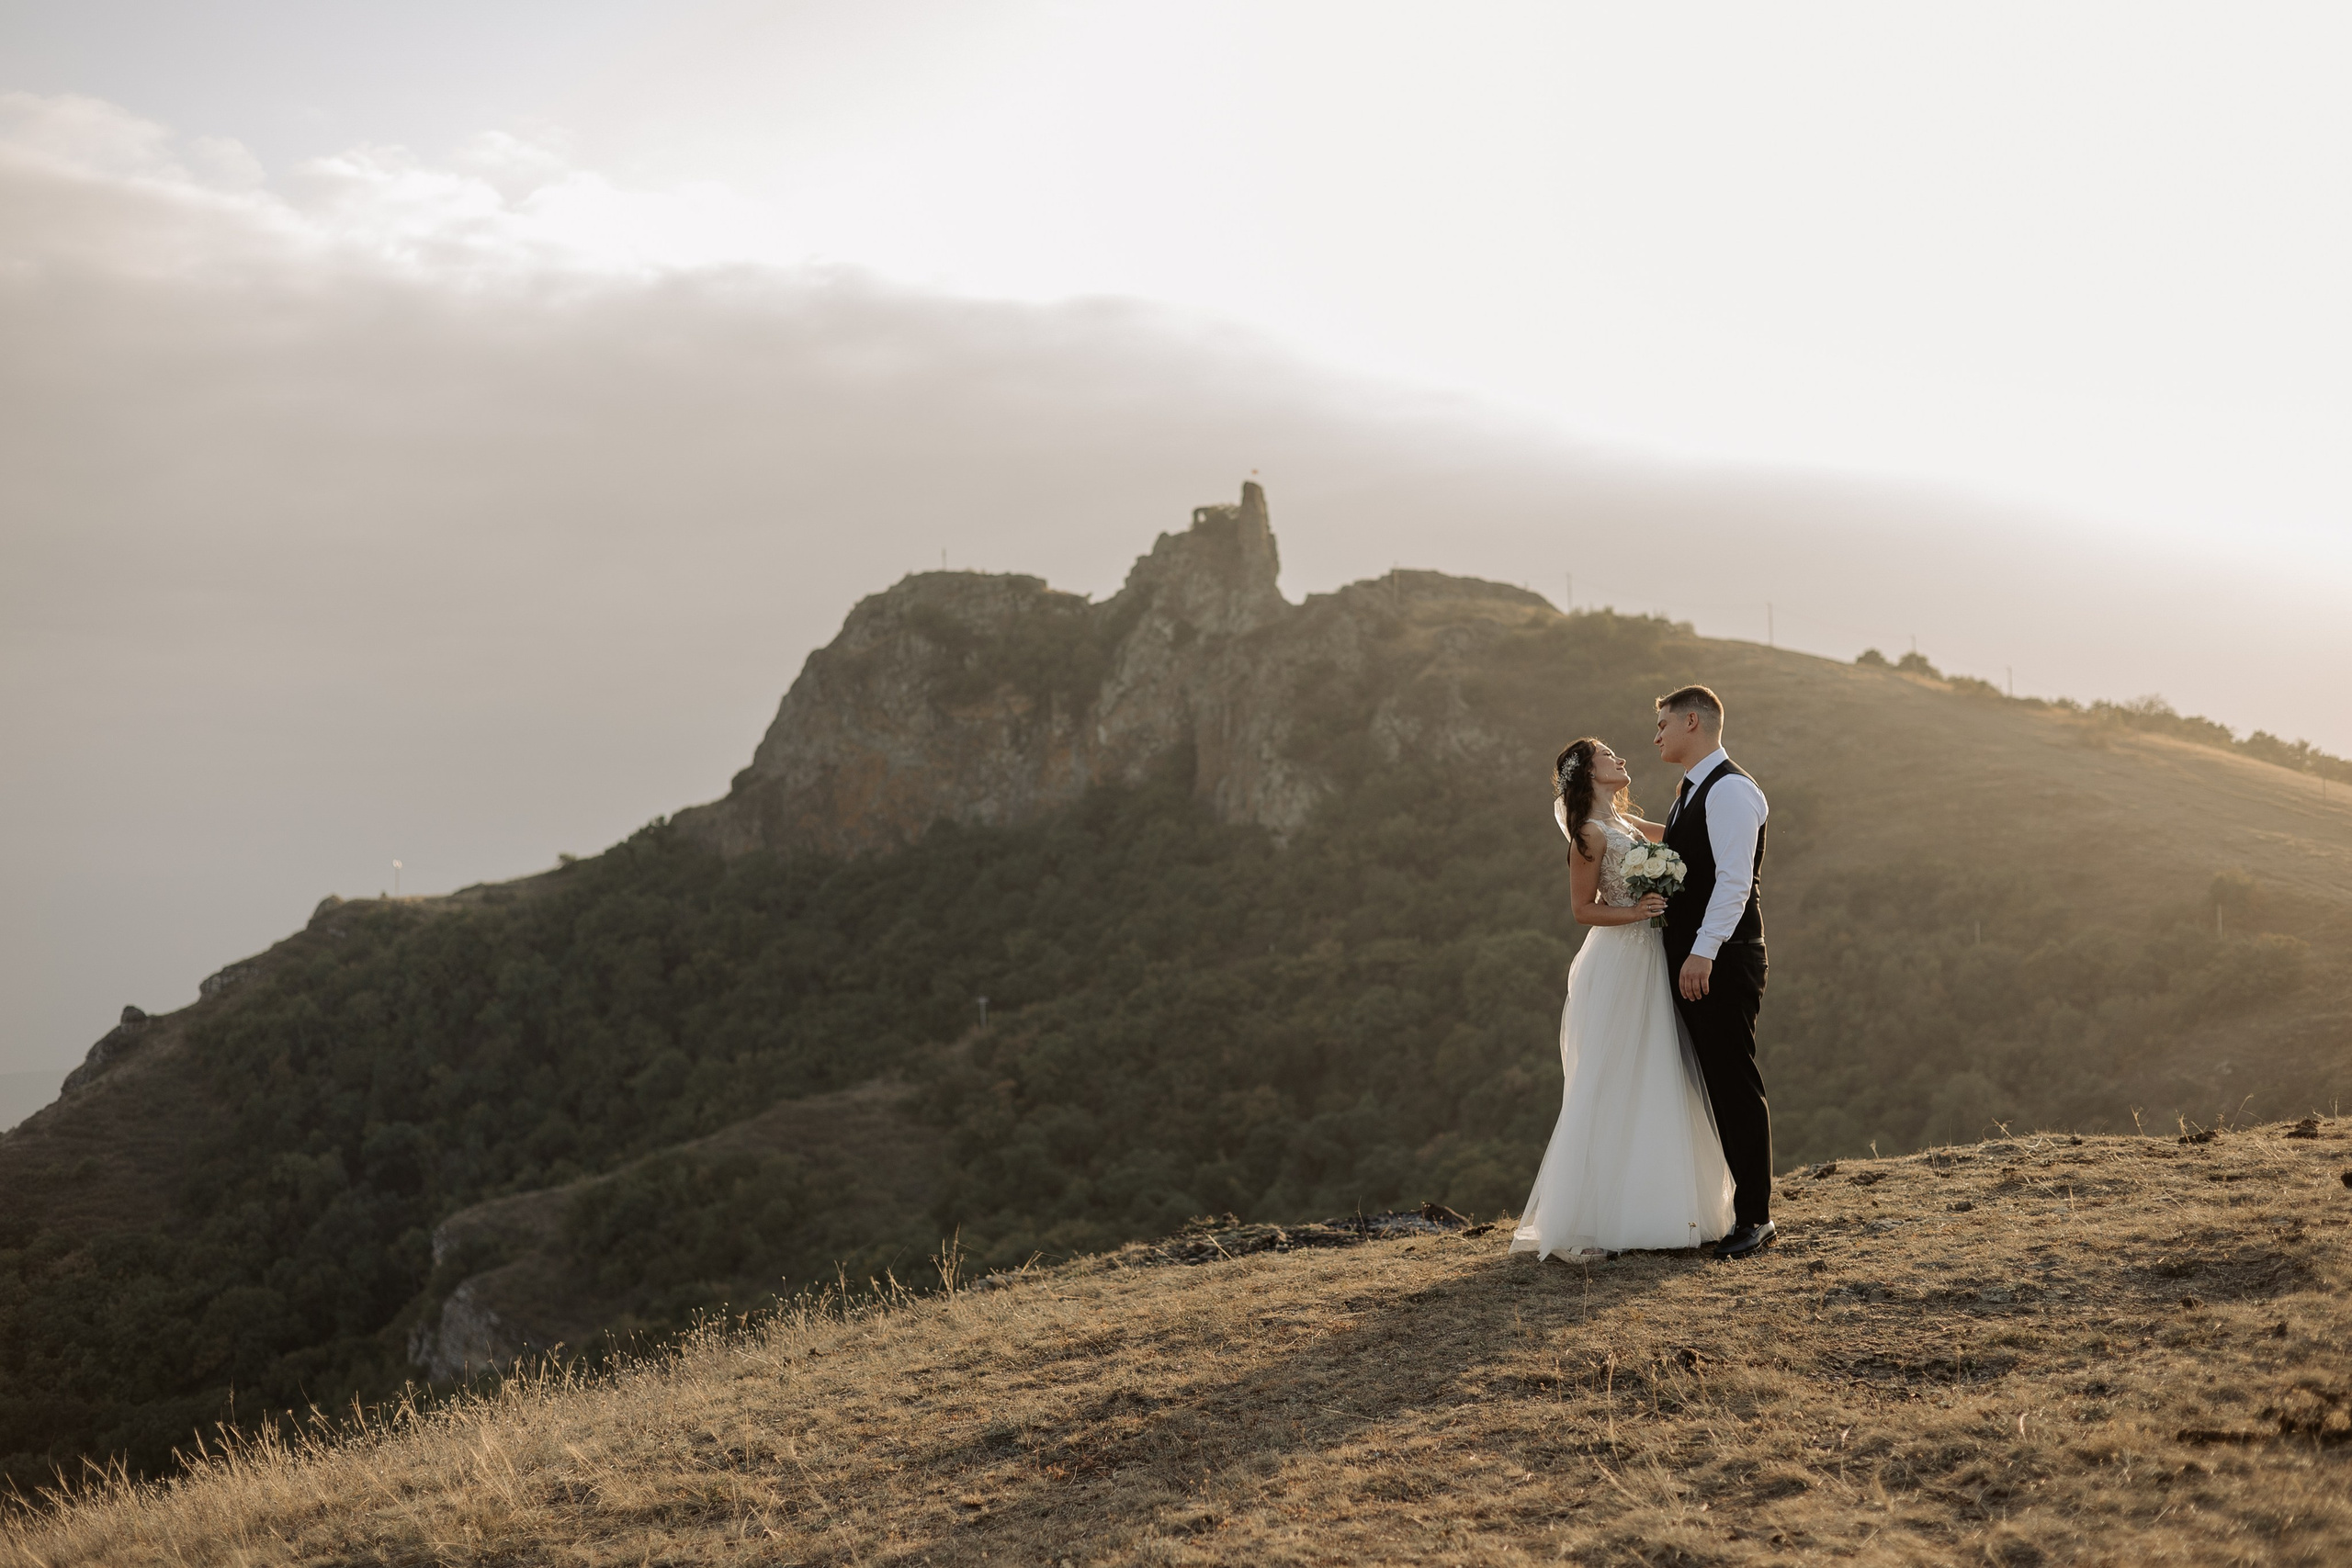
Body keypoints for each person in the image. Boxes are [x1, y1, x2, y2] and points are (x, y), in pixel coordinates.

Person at [1510, 737, 1736, 1259]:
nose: (1622, 759)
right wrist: (1636, 913)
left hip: (1650, 958)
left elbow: (1683, 840)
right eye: (1608, 756)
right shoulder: (1588, 834)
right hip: (1616, 962)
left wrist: (1700, 801)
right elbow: (1581, 909)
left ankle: (1660, 1207)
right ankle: (1585, 1220)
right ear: (1589, 774)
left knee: (1656, 1070)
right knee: (1610, 1076)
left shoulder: (1627, 825)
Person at [1652, 683, 1777, 1259]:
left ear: (1693, 722)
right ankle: (1728, 1211)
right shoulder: (1691, 791)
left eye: (1663, 724)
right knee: (1712, 1084)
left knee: (1733, 1083)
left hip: (1722, 960)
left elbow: (1733, 882)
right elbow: (1688, 858)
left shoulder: (1730, 791)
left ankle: (1755, 1217)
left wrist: (1702, 952)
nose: (1657, 735)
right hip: (1700, 958)